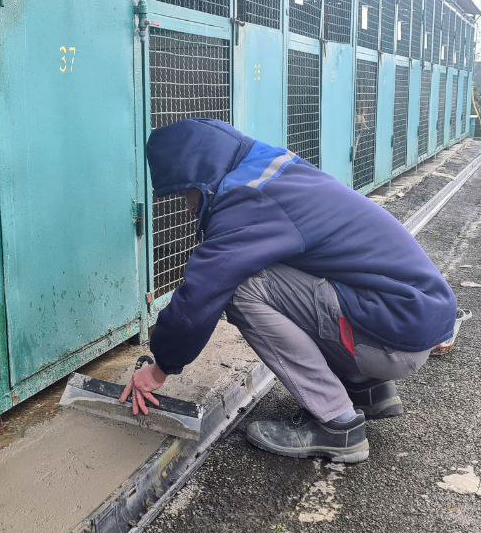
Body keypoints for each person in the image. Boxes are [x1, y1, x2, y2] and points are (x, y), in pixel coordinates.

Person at [120, 119, 457, 463]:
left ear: (201, 174)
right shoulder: (269, 167)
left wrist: (160, 366)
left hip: (393, 338)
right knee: (274, 268)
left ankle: (338, 424)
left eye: (185, 193)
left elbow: (200, 296)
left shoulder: (246, 197)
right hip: (412, 315)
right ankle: (365, 386)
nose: (189, 206)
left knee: (241, 288)